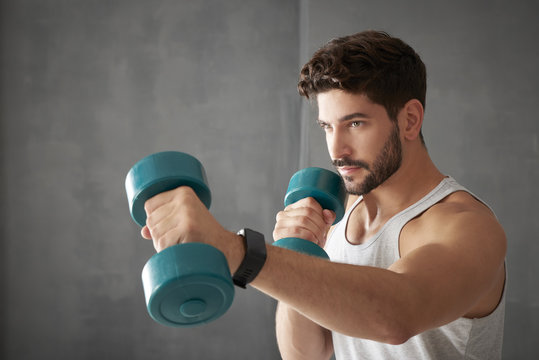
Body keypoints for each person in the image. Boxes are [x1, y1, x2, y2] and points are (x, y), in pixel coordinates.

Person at [141, 30, 507, 360]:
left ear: (410, 119)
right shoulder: (340, 213)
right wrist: (297, 250)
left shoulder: (469, 228)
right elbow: (305, 354)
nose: (337, 149)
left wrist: (234, 250)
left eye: (355, 123)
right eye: (327, 126)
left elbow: (398, 314)